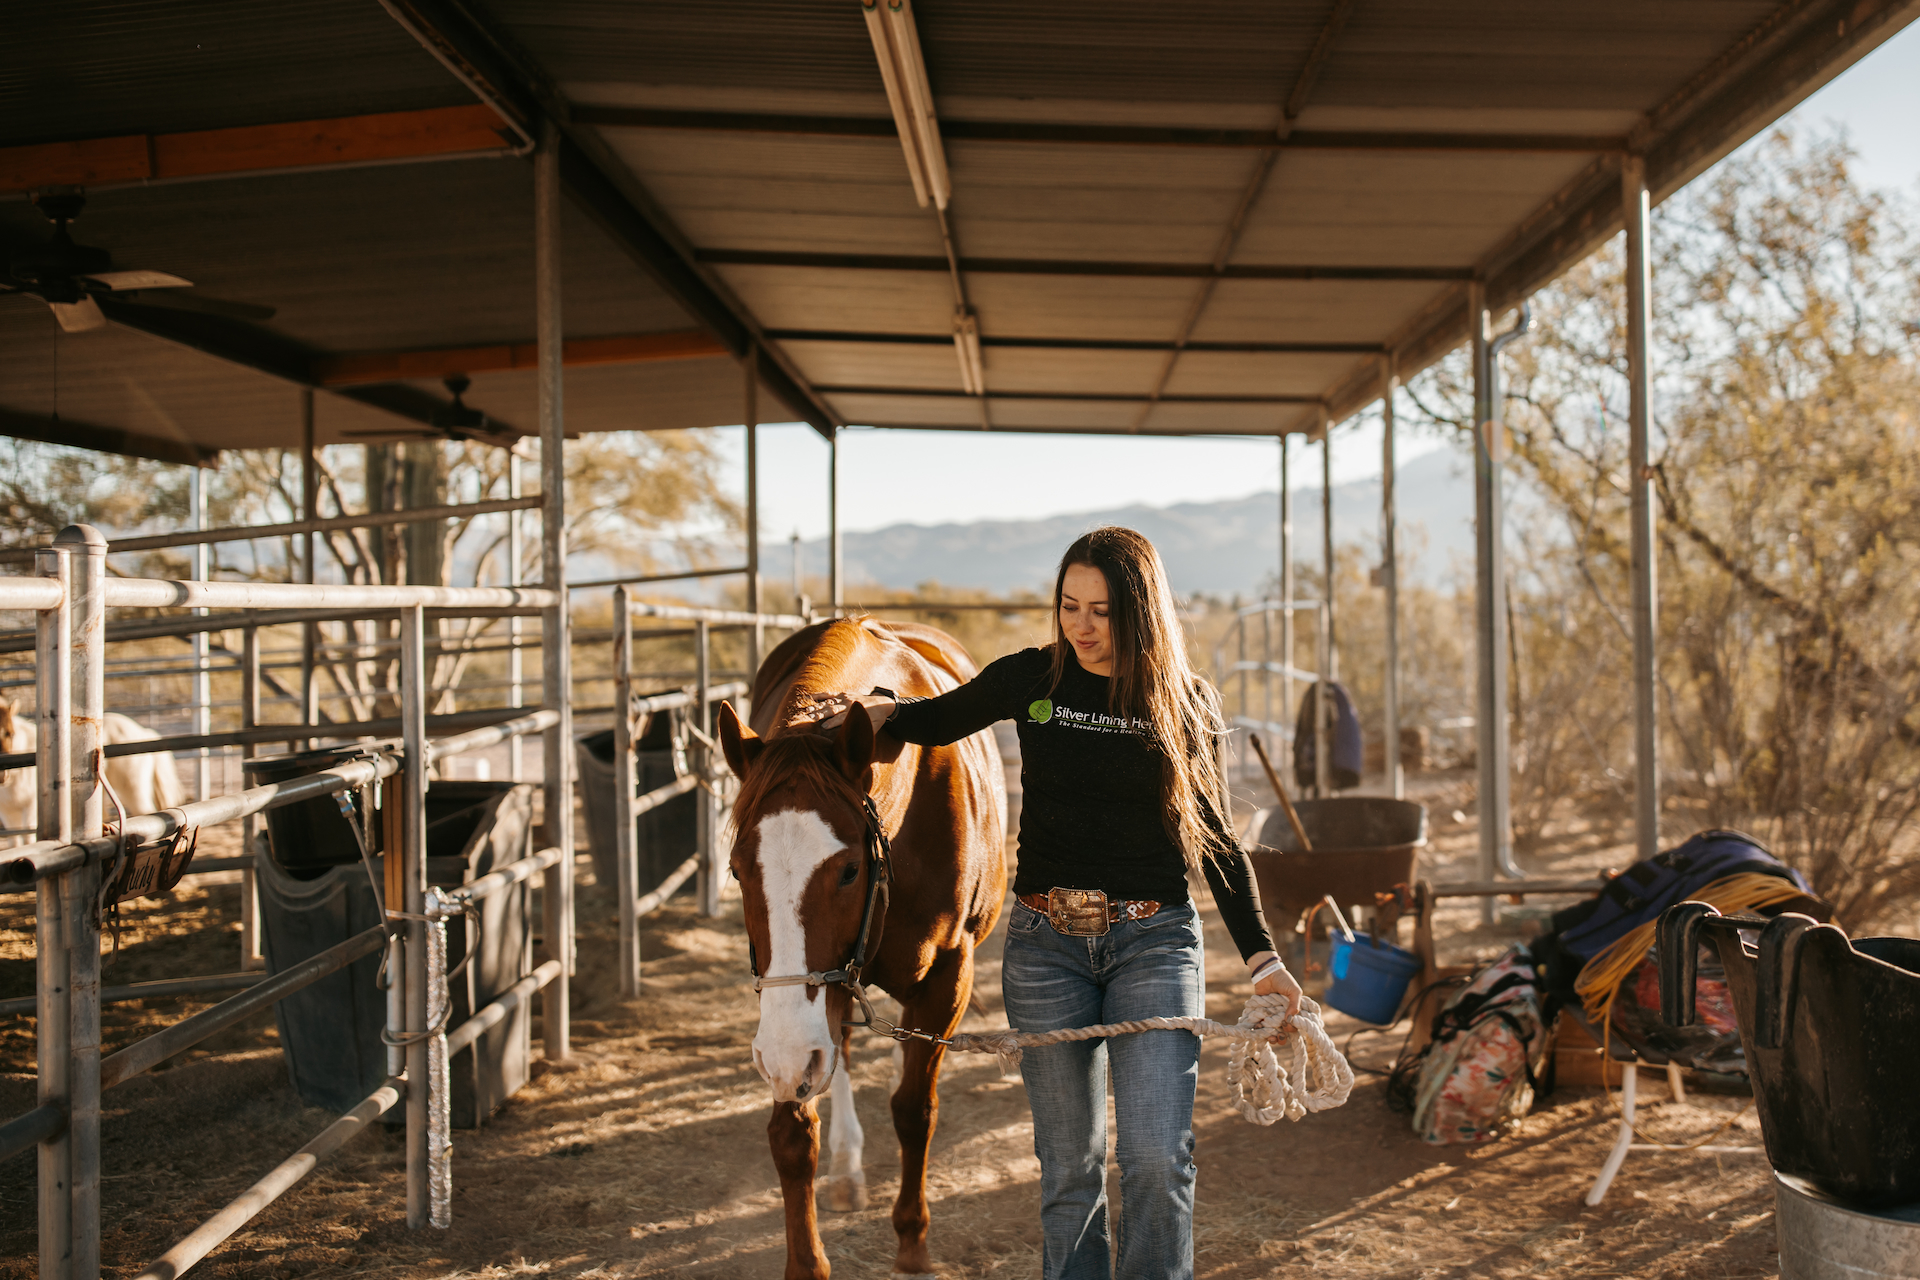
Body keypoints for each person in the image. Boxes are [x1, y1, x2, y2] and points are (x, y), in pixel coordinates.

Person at [813, 525, 1301, 1280]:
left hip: (1154, 941)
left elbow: (1215, 841)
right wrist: (868, 714)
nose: (1081, 625)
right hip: (1046, 948)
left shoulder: (1185, 702)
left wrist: (1264, 958)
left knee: (1155, 1160)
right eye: (1070, 605)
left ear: (1140, 613)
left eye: (1102, 611)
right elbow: (932, 720)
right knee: (1070, 1171)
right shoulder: (1031, 680)